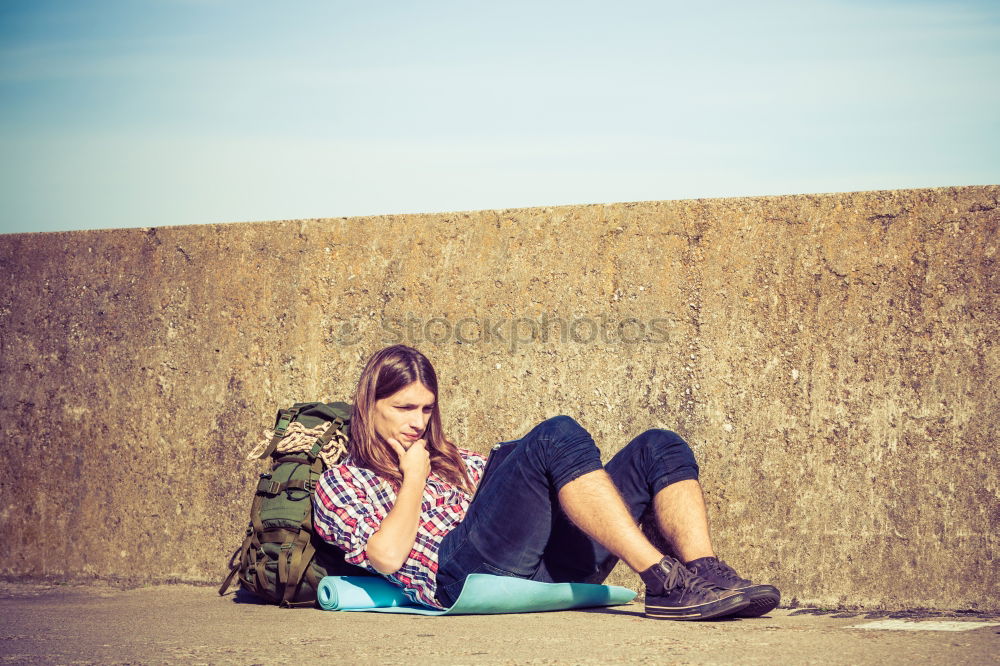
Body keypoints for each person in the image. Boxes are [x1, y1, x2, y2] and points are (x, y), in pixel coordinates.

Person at [314, 345, 780, 620]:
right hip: (459, 575)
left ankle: (703, 573)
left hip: (544, 571)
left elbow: (514, 502)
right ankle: (663, 580)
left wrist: (497, 466)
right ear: (369, 406)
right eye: (403, 408)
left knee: (659, 445)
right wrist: (414, 478)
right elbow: (388, 556)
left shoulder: (454, 460)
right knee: (556, 434)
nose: (418, 422)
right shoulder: (341, 483)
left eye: (426, 408)